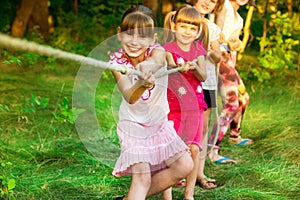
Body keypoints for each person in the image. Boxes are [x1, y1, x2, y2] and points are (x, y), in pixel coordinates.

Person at [110, 5, 194, 200]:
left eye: (143, 36)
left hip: (158, 124)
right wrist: (141, 83)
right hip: (133, 127)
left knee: (185, 166)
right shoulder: (116, 62)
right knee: (143, 179)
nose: (135, 42)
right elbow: (130, 96)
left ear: (153, 39)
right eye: (130, 35)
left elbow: (156, 61)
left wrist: (145, 67)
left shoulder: (157, 51)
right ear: (120, 34)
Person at [162, 4, 209, 200]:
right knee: (172, 149)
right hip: (173, 107)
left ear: (198, 31)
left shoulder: (198, 49)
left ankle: (189, 194)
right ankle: (167, 193)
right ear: (174, 26)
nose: (187, 32)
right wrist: (178, 67)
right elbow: (170, 65)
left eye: (192, 28)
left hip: (195, 107)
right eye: (183, 26)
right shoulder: (166, 48)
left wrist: (193, 68)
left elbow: (204, 75)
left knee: (194, 148)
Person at [208, 0, 255, 164]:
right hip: (219, 56)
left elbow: (235, 42)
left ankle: (234, 135)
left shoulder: (239, 18)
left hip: (229, 59)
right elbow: (218, 34)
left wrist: (237, 43)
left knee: (243, 98)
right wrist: (228, 43)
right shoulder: (225, 6)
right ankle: (212, 150)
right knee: (231, 104)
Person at [192, 0, 225, 189]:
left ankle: (199, 172)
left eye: (213, 0)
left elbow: (218, 56)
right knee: (182, 125)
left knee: (202, 128)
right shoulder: (181, 19)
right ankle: (179, 170)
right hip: (184, 82)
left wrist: (210, 51)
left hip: (206, 82)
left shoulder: (211, 28)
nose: (207, 2)